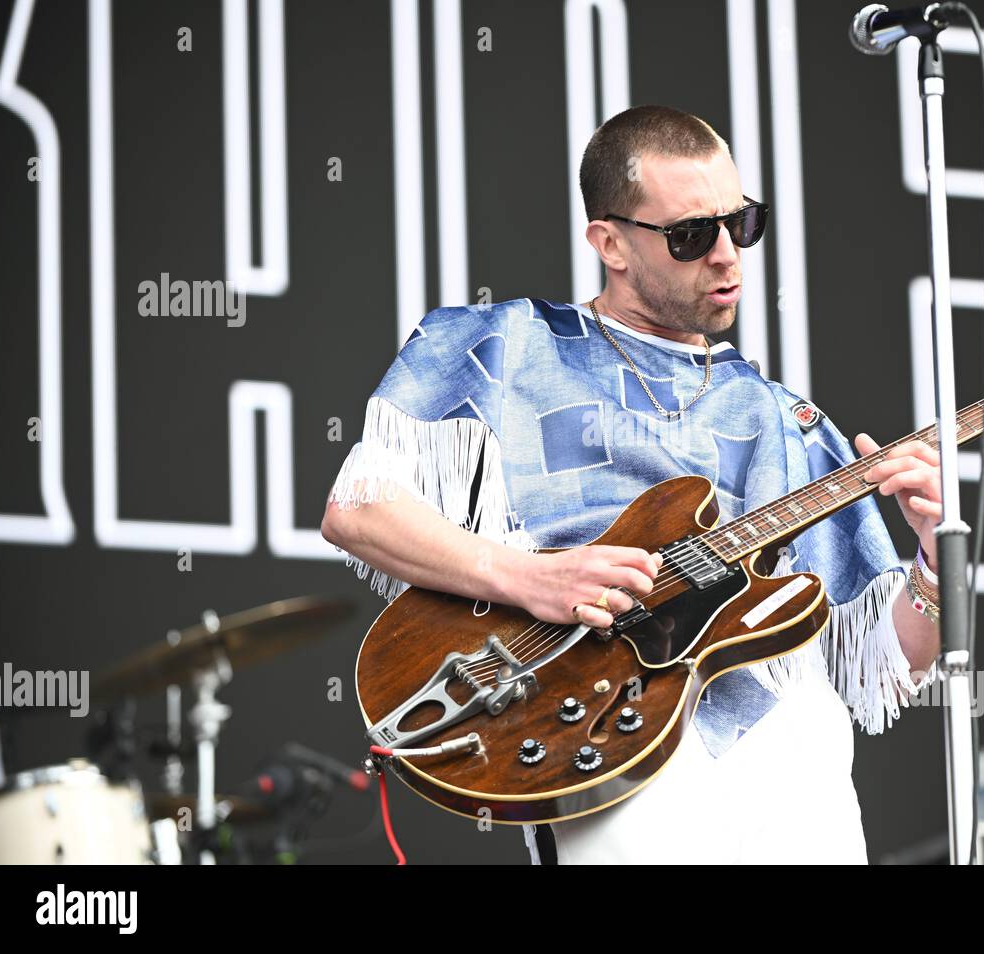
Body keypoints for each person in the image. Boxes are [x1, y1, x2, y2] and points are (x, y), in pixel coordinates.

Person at [321, 104, 942, 864]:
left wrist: (935, 563)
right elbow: (358, 510)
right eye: (691, 235)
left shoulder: (783, 416)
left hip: (790, 742)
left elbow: (890, 658)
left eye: (740, 224)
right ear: (608, 242)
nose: (727, 256)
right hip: (607, 725)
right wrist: (531, 578)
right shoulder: (506, 346)